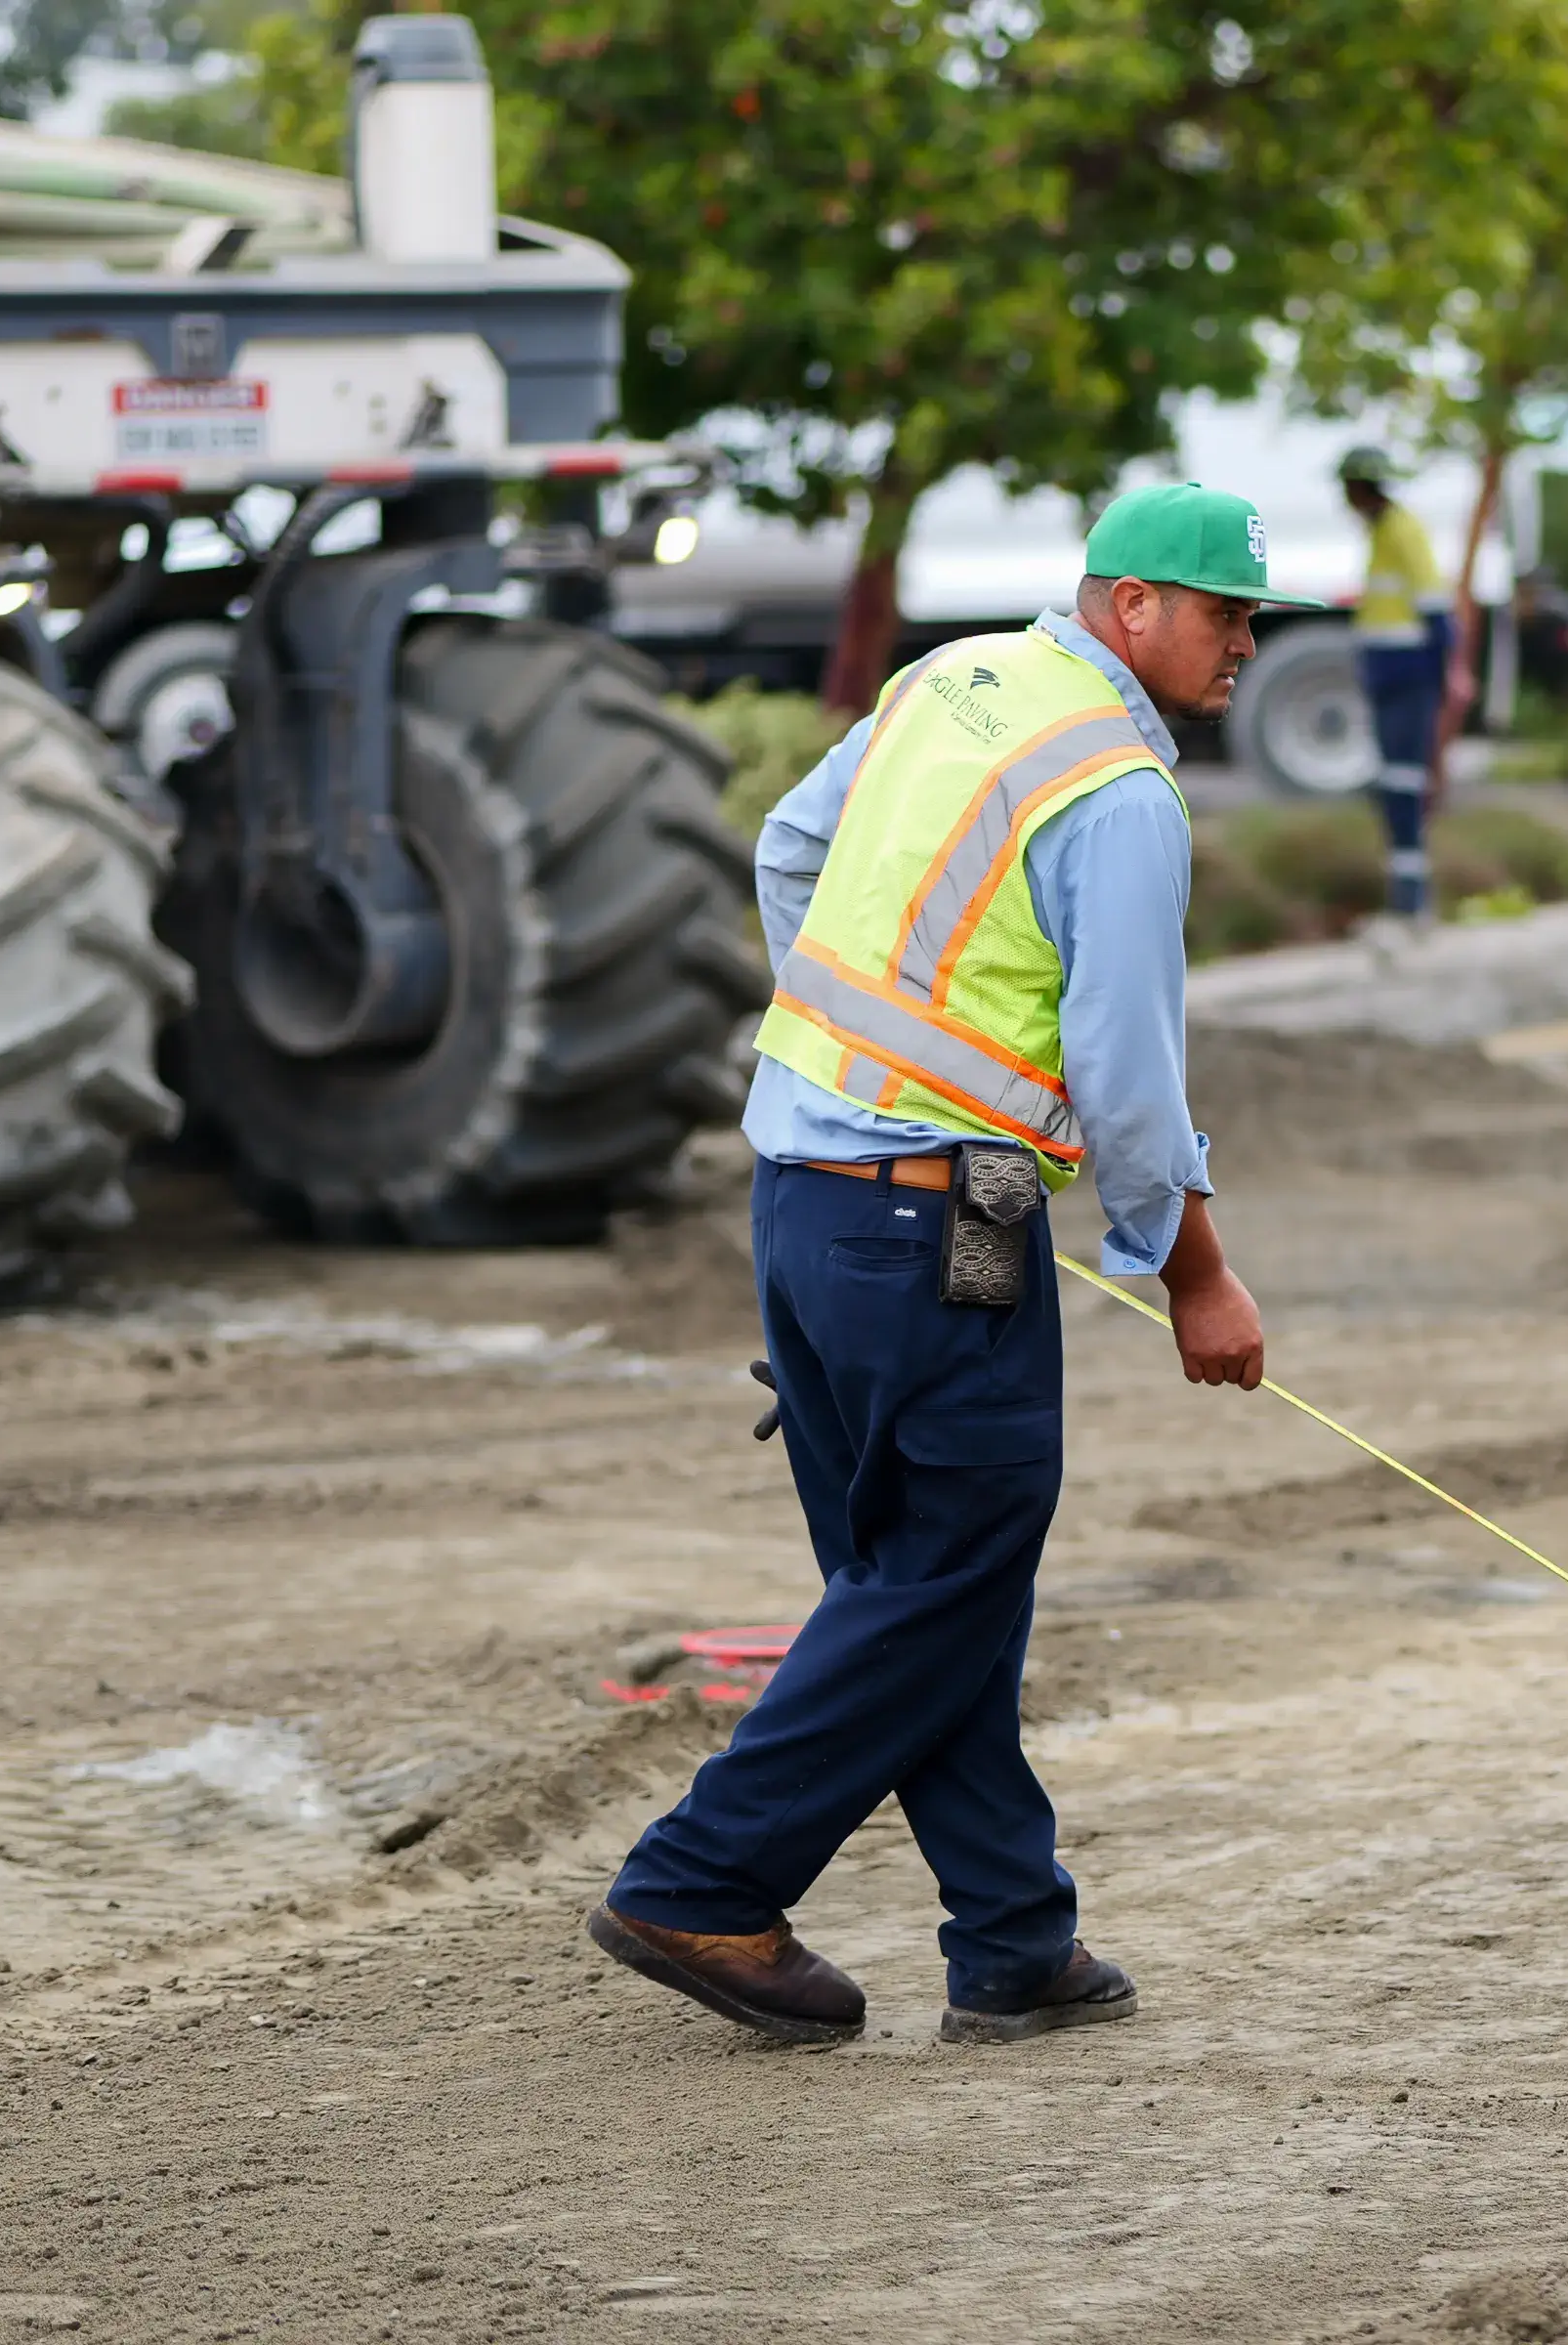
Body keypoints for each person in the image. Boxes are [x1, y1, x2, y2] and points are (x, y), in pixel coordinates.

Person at [590, 483, 1293, 2049]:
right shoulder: (1119, 792)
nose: (1245, 643)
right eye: (1225, 613)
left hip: (807, 1195)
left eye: (1251, 619)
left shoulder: (953, 681)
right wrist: (1195, 1272)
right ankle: (702, 1877)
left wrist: (861, 1068)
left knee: (919, 1578)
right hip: (932, 1221)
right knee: (952, 1562)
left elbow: (791, 853)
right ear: (1129, 605)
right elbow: (1123, 1075)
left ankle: (1011, 1937)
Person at [1336, 445, 1463, 921]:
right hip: (1389, 672)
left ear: (1362, 487)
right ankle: (1405, 893)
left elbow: (1434, 607)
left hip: (1408, 674)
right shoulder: (1383, 532)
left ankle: (1413, 900)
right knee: (1393, 780)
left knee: (1404, 781)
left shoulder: (1402, 530)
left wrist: (1445, 675)